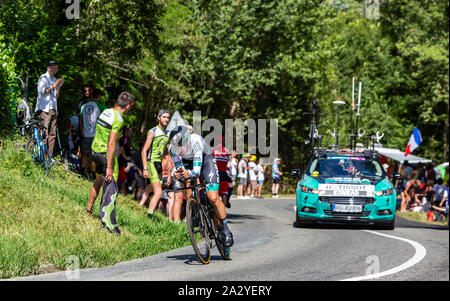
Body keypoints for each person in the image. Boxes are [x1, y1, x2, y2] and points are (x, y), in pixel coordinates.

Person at [168, 125, 234, 247]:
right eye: (177, 146)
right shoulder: (172, 149)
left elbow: (197, 171)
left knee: (213, 197)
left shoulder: (196, 140)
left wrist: (190, 173)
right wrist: (177, 173)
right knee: (187, 193)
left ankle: (225, 229)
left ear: (187, 140)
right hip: (188, 163)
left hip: (205, 160)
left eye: (181, 145)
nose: (179, 149)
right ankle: (197, 213)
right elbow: (179, 167)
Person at [85, 92, 135, 235]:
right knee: (111, 189)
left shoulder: (106, 111)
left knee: (98, 181)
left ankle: (88, 211)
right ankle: (108, 224)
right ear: (129, 105)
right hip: (105, 155)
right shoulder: (118, 118)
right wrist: (109, 166)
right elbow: (112, 143)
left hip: (95, 151)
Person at [139, 110, 170, 219]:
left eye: (168, 117)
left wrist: (168, 172)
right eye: (164, 117)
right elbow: (144, 151)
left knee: (150, 188)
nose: (166, 119)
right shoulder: (153, 131)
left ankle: (139, 205)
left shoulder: (167, 134)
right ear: (158, 118)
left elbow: (166, 153)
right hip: (151, 162)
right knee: (158, 192)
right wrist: (145, 168)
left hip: (159, 165)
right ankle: (149, 216)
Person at [35, 60, 65, 157]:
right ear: (48, 68)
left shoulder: (54, 79)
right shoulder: (43, 78)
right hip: (45, 109)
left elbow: (56, 96)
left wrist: (59, 86)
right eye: (52, 67)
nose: (54, 69)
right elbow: (42, 92)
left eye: (56, 68)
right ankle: (42, 156)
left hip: (53, 109)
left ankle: (49, 156)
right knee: (44, 132)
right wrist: (55, 85)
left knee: (52, 134)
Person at [79, 88, 107, 179]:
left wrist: (81, 131)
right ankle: (92, 175)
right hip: (95, 135)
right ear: (98, 96)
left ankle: (83, 173)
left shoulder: (84, 106)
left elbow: (81, 120)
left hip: (85, 134)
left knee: (84, 154)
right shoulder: (101, 106)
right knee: (94, 156)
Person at [213, 136, 232, 208]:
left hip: (214, 172)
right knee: (224, 192)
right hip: (223, 173)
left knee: (215, 191)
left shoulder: (213, 150)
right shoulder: (227, 151)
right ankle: (223, 211)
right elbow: (227, 164)